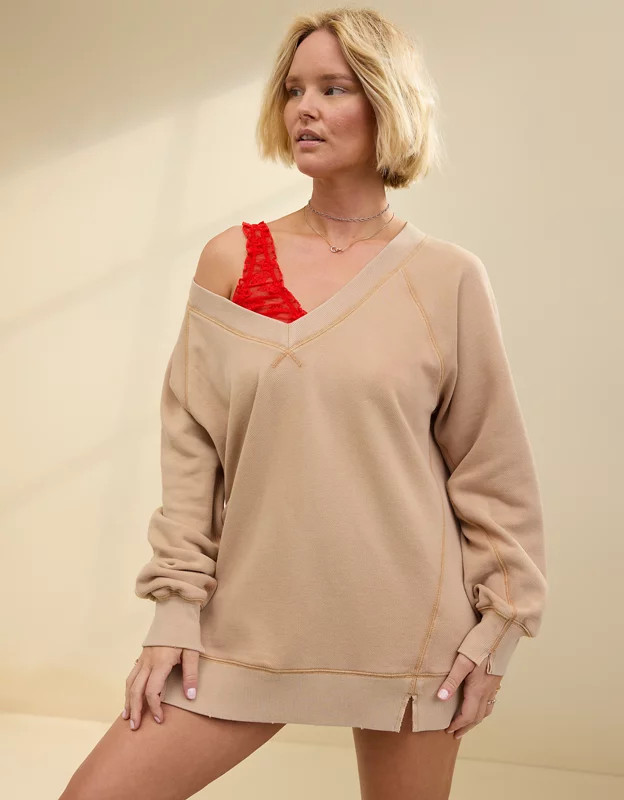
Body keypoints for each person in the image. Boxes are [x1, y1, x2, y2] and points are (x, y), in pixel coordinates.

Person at [59, 7, 547, 800]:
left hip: (412, 635)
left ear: (386, 103)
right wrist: (176, 609)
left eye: (333, 88)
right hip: (249, 622)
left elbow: (492, 468)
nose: (305, 109)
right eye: (293, 90)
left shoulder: (448, 277)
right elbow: (191, 447)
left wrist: (500, 631)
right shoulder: (230, 258)